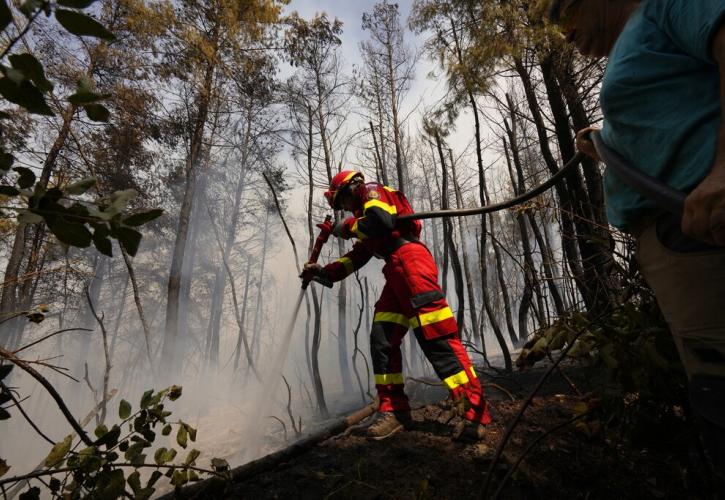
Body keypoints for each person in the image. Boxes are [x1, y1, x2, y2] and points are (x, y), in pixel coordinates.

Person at [550, 0, 725, 481]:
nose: (563, 32)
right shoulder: (637, 41)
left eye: (562, 13)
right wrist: (607, 145)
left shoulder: (664, 4)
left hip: (703, 240)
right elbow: (668, 134)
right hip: (679, 246)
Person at [303, 170, 491, 441]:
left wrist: (342, 227)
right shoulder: (363, 217)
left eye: (340, 202)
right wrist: (322, 272)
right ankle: (394, 411)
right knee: (382, 339)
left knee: (438, 339)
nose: (342, 208)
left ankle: (474, 414)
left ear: (349, 189)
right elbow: (358, 256)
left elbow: (379, 221)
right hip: (396, 271)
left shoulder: (371, 192)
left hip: (411, 264)